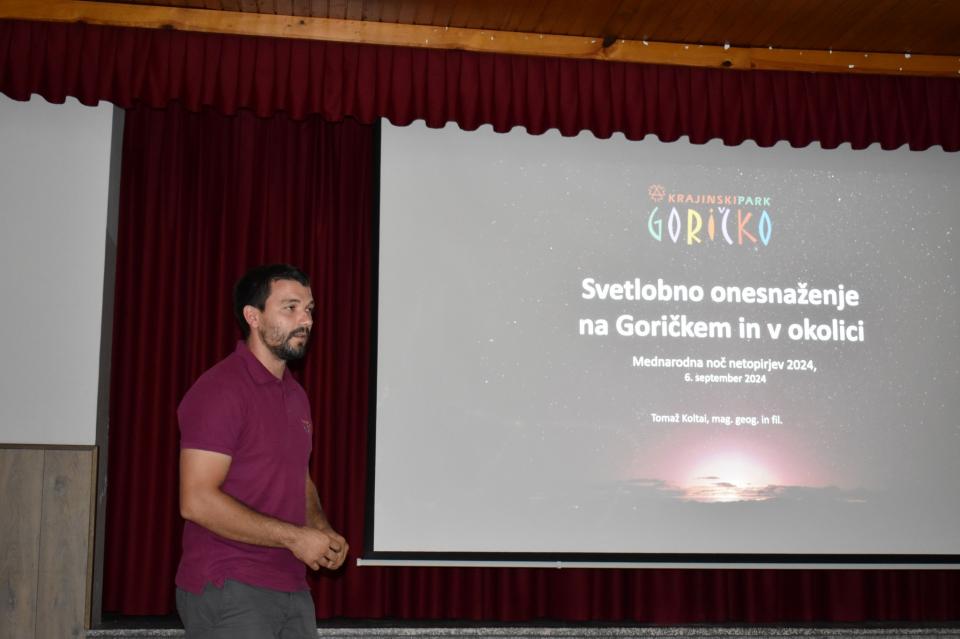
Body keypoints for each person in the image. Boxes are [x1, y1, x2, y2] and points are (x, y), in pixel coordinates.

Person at [175, 263, 348, 638]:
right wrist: (295, 538)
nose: (306, 320)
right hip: (230, 584)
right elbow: (196, 501)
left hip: (291, 587)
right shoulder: (220, 389)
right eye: (290, 308)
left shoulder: (296, 395)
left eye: (309, 309)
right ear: (253, 317)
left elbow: (299, 479)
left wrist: (319, 529)